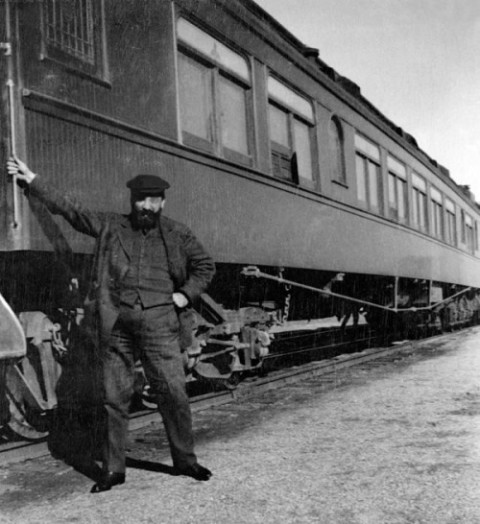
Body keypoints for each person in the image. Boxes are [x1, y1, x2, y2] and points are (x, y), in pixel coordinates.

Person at [7, 156, 216, 492]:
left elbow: (205, 266)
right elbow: (72, 212)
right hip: (116, 326)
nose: (146, 205)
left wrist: (184, 296)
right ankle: (114, 469)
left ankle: (185, 461)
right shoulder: (110, 226)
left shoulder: (177, 234)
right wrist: (32, 179)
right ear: (132, 201)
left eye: (152, 199)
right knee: (112, 399)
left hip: (160, 325)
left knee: (173, 393)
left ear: (162, 202)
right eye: (140, 199)